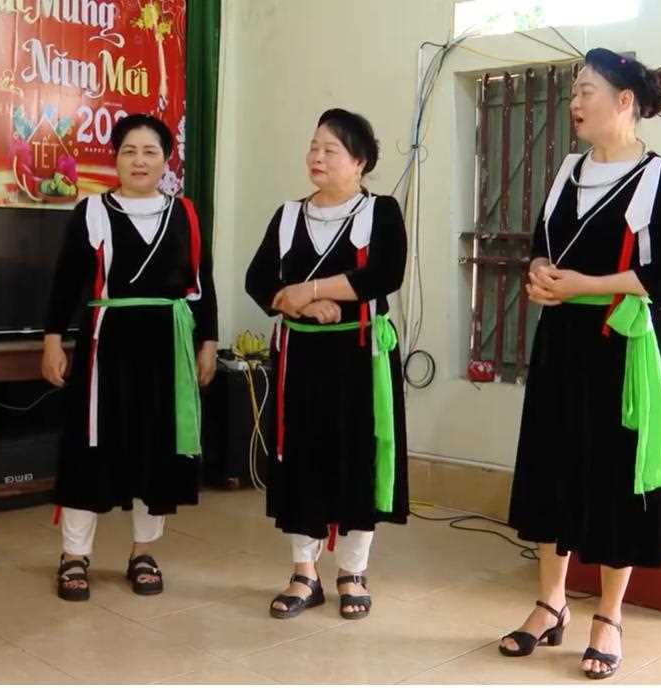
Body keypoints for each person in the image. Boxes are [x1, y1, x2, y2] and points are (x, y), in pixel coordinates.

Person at [499, 48, 661, 680]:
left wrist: (583, 284)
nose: (575, 102)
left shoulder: (659, 179)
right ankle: (549, 603)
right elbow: (542, 246)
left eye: (587, 91)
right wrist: (538, 272)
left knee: (614, 478)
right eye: (573, 92)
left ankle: (609, 617)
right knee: (551, 466)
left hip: (620, 348)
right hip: (561, 345)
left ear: (623, 102)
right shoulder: (567, 171)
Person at [41, 113, 218, 601]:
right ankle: (74, 555)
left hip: (167, 348)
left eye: (151, 152)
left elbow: (202, 286)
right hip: (105, 347)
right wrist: (52, 339)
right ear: (115, 159)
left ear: (166, 159)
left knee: (155, 450)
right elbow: (65, 282)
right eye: (129, 151)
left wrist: (209, 342)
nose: (140, 161)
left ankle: (144, 551)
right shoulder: (92, 211)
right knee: (89, 449)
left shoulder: (184, 213)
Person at [245, 108, 408, 621]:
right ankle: (303, 572)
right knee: (300, 460)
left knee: (359, 458)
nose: (316, 156)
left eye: (330, 149)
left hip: (360, 355)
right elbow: (258, 280)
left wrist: (310, 288)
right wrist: (298, 304)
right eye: (313, 146)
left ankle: (352, 571)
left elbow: (383, 273)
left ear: (359, 162)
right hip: (300, 358)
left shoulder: (380, 212)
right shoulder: (289, 215)